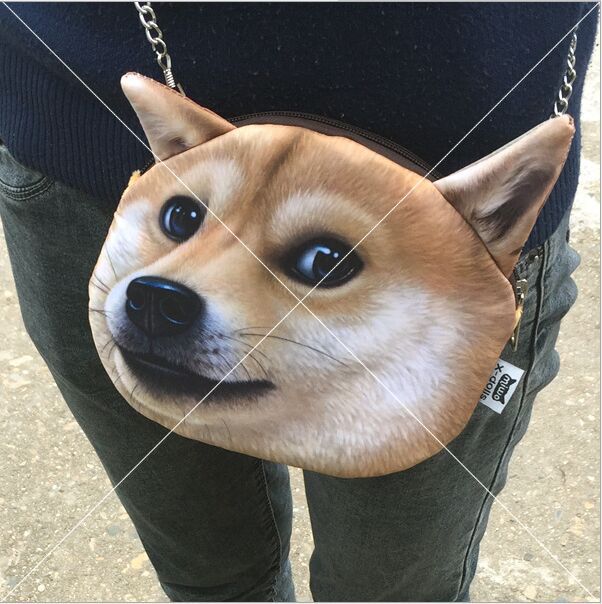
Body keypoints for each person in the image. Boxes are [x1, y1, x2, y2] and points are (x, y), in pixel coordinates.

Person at [0, 3, 597, 601]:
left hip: (467, 199)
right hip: (76, 136)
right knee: (210, 584)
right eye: (184, 220)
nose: (168, 289)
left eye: (326, 262)